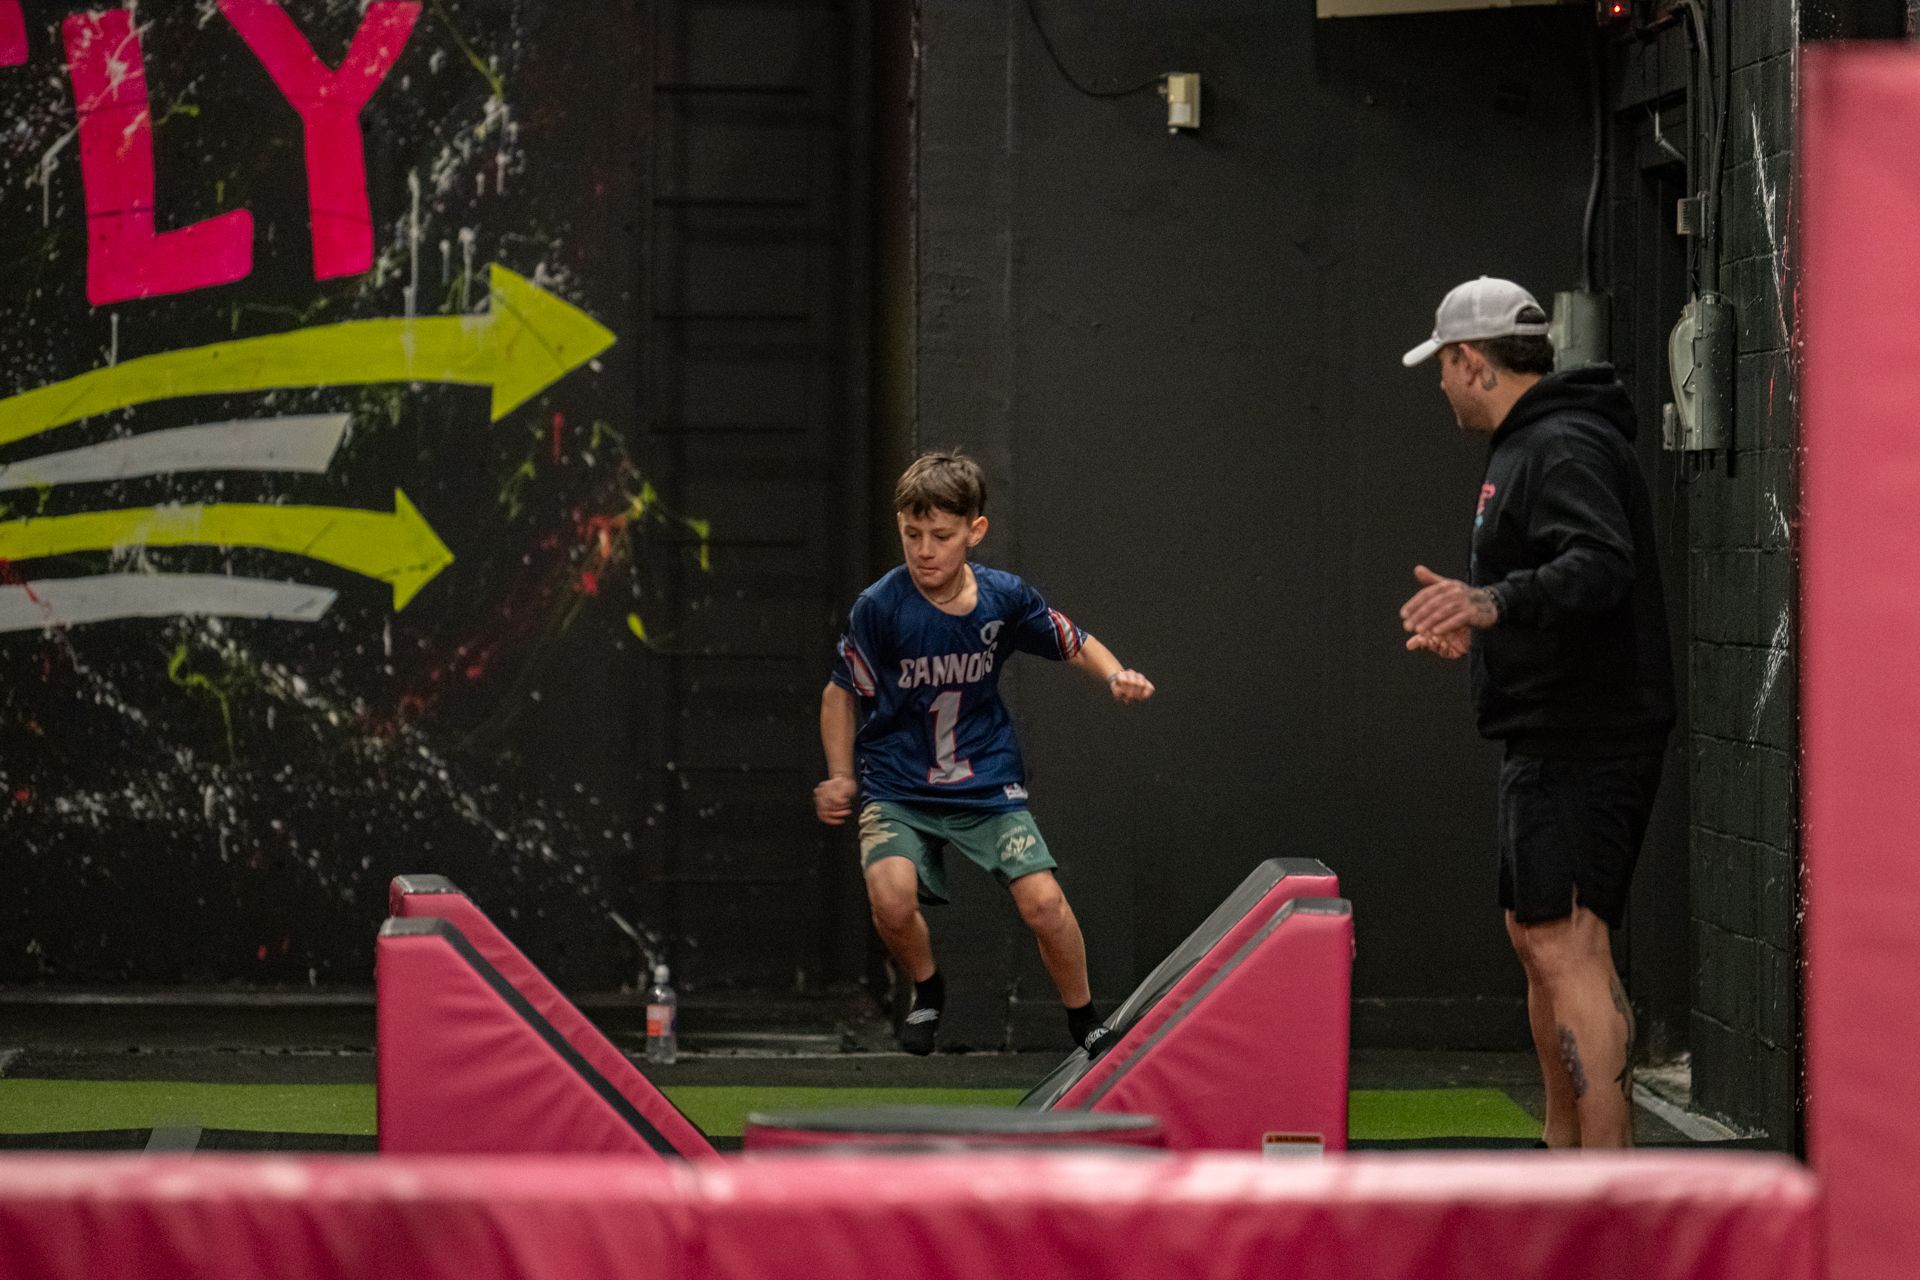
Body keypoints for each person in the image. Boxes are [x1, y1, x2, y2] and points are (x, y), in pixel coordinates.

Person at [1398, 277, 1676, 1148]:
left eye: (1442, 369)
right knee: (1535, 936)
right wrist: (1487, 622)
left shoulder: (1563, 444)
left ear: (1467, 360)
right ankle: (1564, 1162)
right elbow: (1549, 590)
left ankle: (1604, 1182)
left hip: (1589, 736)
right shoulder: (1532, 445)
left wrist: (1491, 607)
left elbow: (1600, 565)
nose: (1441, 387)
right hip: (1548, 730)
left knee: (1570, 944)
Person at [814, 451, 1155, 1055]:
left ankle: (1083, 1019)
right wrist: (841, 776)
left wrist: (1115, 675)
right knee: (890, 897)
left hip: (983, 780)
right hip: (897, 783)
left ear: (974, 532)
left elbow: (1074, 642)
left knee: (1044, 902)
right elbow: (840, 695)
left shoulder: (1004, 599)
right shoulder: (880, 608)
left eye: (940, 537)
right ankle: (927, 989)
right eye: (911, 534)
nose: (924, 550)